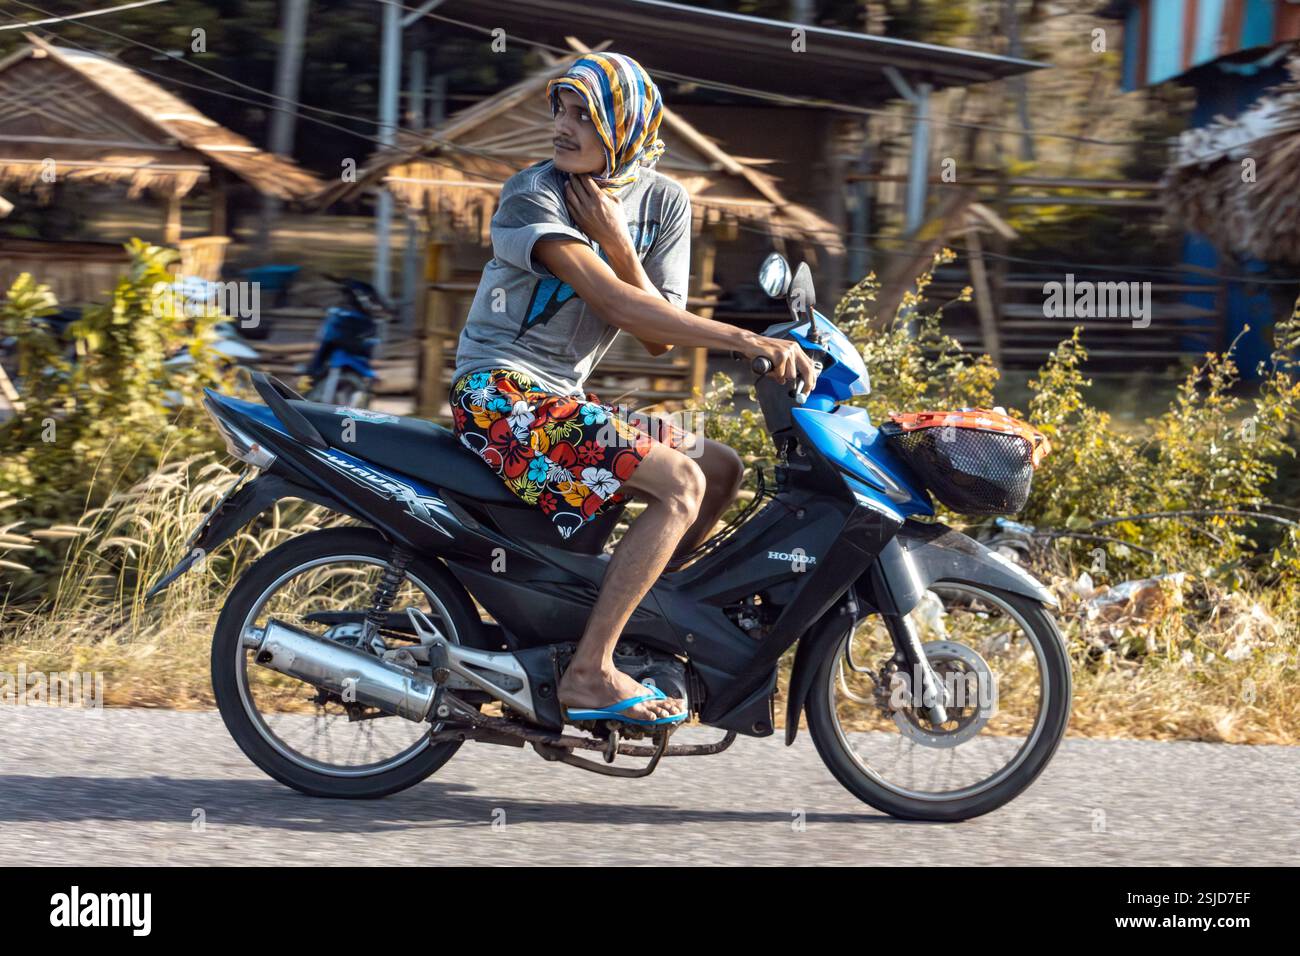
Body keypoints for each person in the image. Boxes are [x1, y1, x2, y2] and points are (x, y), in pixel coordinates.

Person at [449, 52, 817, 725]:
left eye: (584, 115)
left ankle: (642, 625)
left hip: (562, 399)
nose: (563, 127)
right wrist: (748, 340)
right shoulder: (534, 193)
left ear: (627, 127)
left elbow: (659, 336)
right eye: (561, 110)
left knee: (719, 467)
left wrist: (620, 243)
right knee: (680, 483)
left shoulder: (664, 202)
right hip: (500, 393)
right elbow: (616, 305)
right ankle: (589, 672)